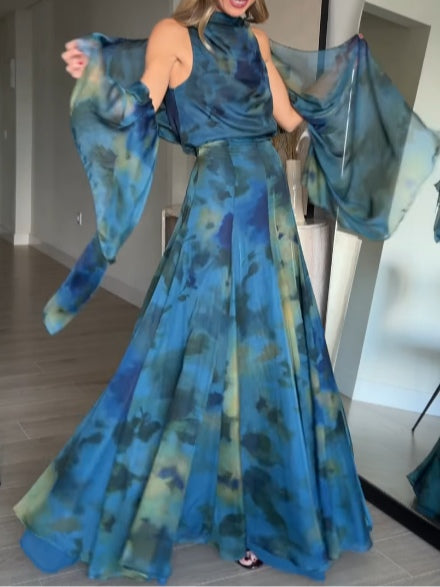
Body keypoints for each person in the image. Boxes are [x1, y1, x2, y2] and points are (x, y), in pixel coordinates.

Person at [13, 0, 439, 584]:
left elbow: (288, 119)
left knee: (266, 353)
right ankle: (194, 503)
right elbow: (145, 105)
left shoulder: (257, 43)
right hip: (216, 208)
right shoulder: (173, 34)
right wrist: (101, 82)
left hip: (269, 209)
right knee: (189, 345)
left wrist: (342, 75)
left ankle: (259, 514)